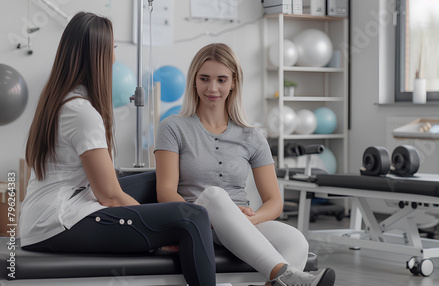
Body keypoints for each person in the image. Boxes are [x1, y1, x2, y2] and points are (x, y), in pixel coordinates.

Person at [20, 12, 215, 286]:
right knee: (194, 217)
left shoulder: (62, 97)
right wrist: (160, 229)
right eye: (111, 48)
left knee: (159, 178)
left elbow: (104, 183)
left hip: (50, 212)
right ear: (97, 55)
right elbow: (110, 196)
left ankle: (210, 228)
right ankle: (203, 234)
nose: (114, 56)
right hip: (56, 223)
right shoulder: (81, 112)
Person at [154, 43, 336, 286]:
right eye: (204, 79)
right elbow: (165, 191)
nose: (212, 88)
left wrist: (247, 221)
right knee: (215, 195)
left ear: (234, 82)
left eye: (221, 80)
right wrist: (210, 217)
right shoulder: (172, 127)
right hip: (197, 223)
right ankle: (285, 275)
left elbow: (274, 201)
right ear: (194, 81)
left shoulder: (252, 135)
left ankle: (280, 280)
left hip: (244, 220)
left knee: (296, 241)